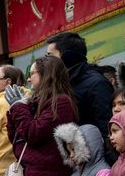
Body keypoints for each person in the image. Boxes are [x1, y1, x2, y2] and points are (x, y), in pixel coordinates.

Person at [45, 32, 113, 162]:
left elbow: (106, 127)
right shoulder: (62, 84)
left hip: (95, 161)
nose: (46, 62)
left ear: (67, 56)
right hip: (75, 160)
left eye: (50, 56)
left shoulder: (96, 83)